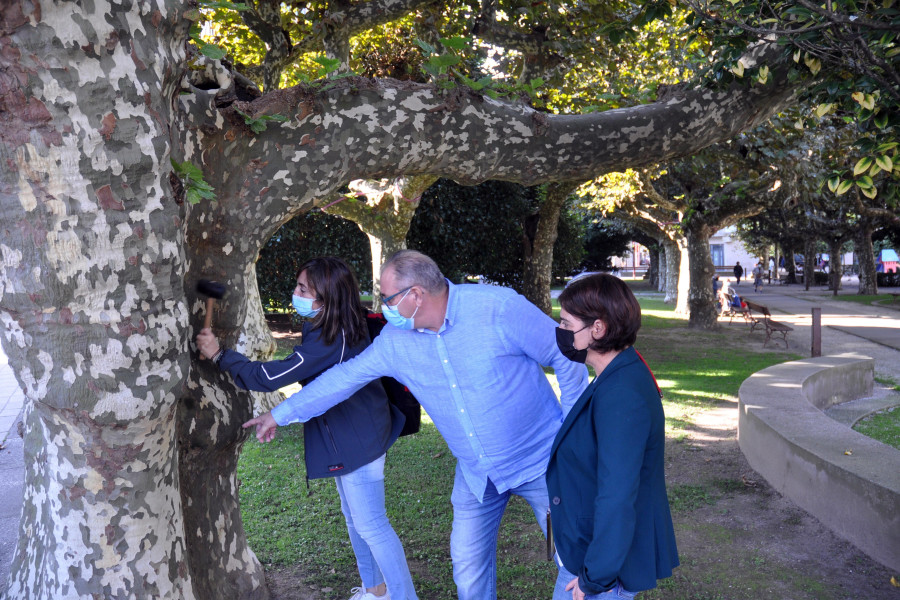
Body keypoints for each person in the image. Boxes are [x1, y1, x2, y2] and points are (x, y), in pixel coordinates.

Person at [243, 249, 589, 600]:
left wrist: (571, 434)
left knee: (576, 564)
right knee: (469, 573)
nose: (385, 307)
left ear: (416, 295)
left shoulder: (497, 307)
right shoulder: (395, 341)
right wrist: (278, 414)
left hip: (542, 462)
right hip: (476, 474)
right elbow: (342, 379)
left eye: (389, 298)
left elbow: (568, 355)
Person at [196, 257, 416, 600]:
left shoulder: (330, 338)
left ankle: (403, 597)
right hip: (355, 433)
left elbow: (270, 378)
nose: (294, 293)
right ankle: (377, 591)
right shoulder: (333, 320)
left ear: (326, 298)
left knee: (372, 525)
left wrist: (221, 356)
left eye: (303, 289)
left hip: (360, 438)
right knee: (356, 519)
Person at [548, 273, 679, 600]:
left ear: (597, 328)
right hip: (590, 556)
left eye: (566, 324)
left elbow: (617, 495)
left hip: (600, 572)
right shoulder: (618, 372)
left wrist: (595, 578)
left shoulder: (621, 393)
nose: (561, 332)